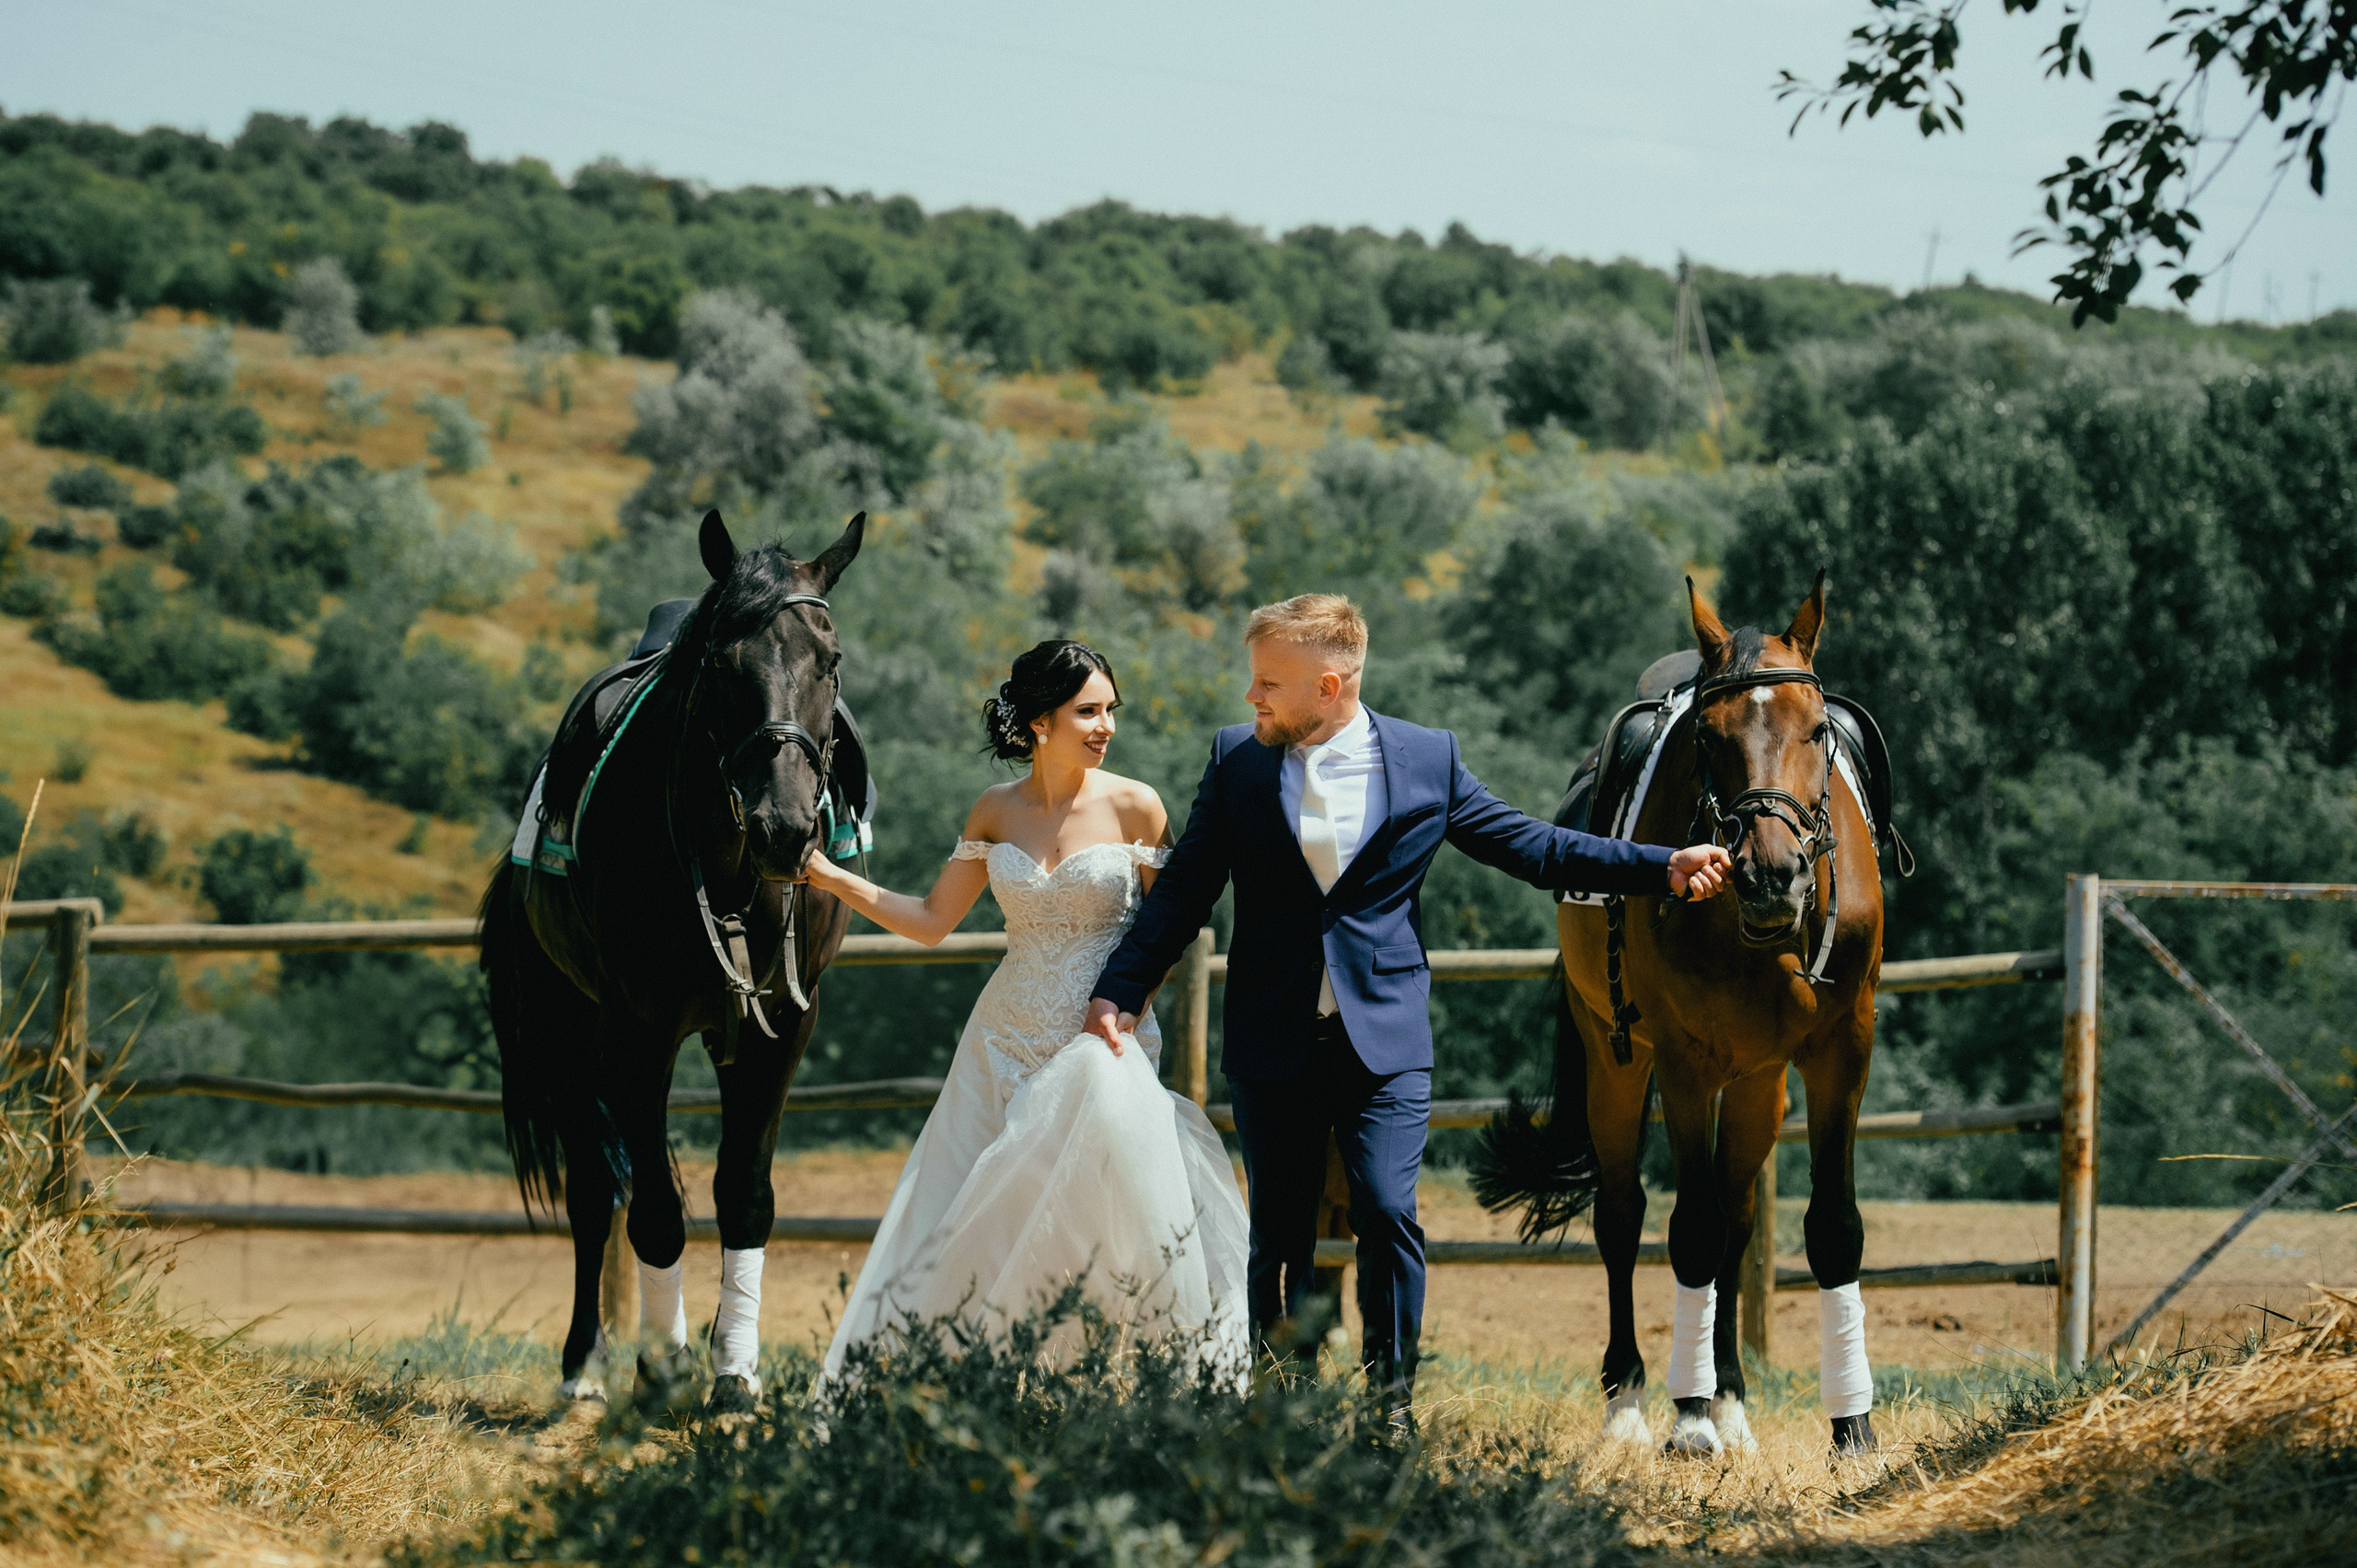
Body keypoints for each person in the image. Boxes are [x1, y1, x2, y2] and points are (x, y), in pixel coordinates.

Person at [1086, 595, 1731, 1423]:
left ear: (1328, 683)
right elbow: (1181, 896)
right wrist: (1119, 988)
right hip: (1271, 1035)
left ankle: (1389, 1406)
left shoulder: (1428, 759)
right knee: (1277, 1232)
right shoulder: (1237, 762)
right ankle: (1279, 1403)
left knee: (1388, 1213)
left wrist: (1661, 863)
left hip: (1383, 1038)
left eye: (1267, 683)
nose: (1252, 698)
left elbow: (1535, 848)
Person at [805, 641, 1248, 1379]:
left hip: (1102, 1038)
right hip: (1002, 1038)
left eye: (1111, 709)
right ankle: (966, 1376)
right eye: (1088, 711)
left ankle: (1119, 1379)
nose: (1106, 724)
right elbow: (931, 918)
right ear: (1040, 721)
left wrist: (1134, 1005)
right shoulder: (995, 810)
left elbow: (1172, 925)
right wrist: (828, 875)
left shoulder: (1136, 804)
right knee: (970, 1206)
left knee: (1106, 1210)